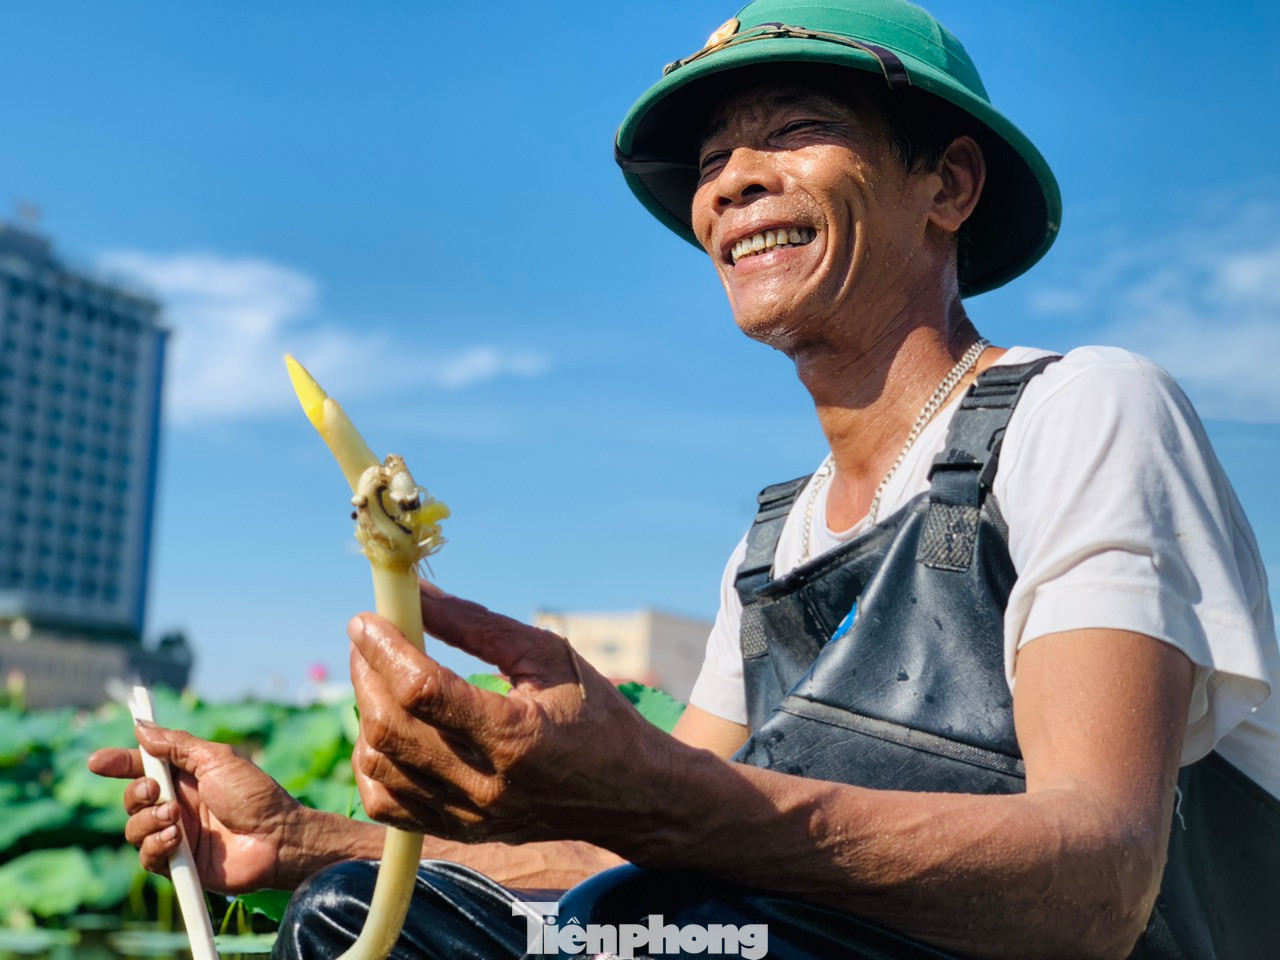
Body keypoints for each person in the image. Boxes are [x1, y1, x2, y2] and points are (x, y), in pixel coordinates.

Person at [89, 1, 1280, 957]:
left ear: (947, 186)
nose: (731, 182)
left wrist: (656, 787)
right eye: (712, 159)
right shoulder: (771, 547)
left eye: (791, 129)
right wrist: (300, 838)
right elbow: (645, 870)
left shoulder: (1081, 411)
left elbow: (1096, 887)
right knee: (362, 915)